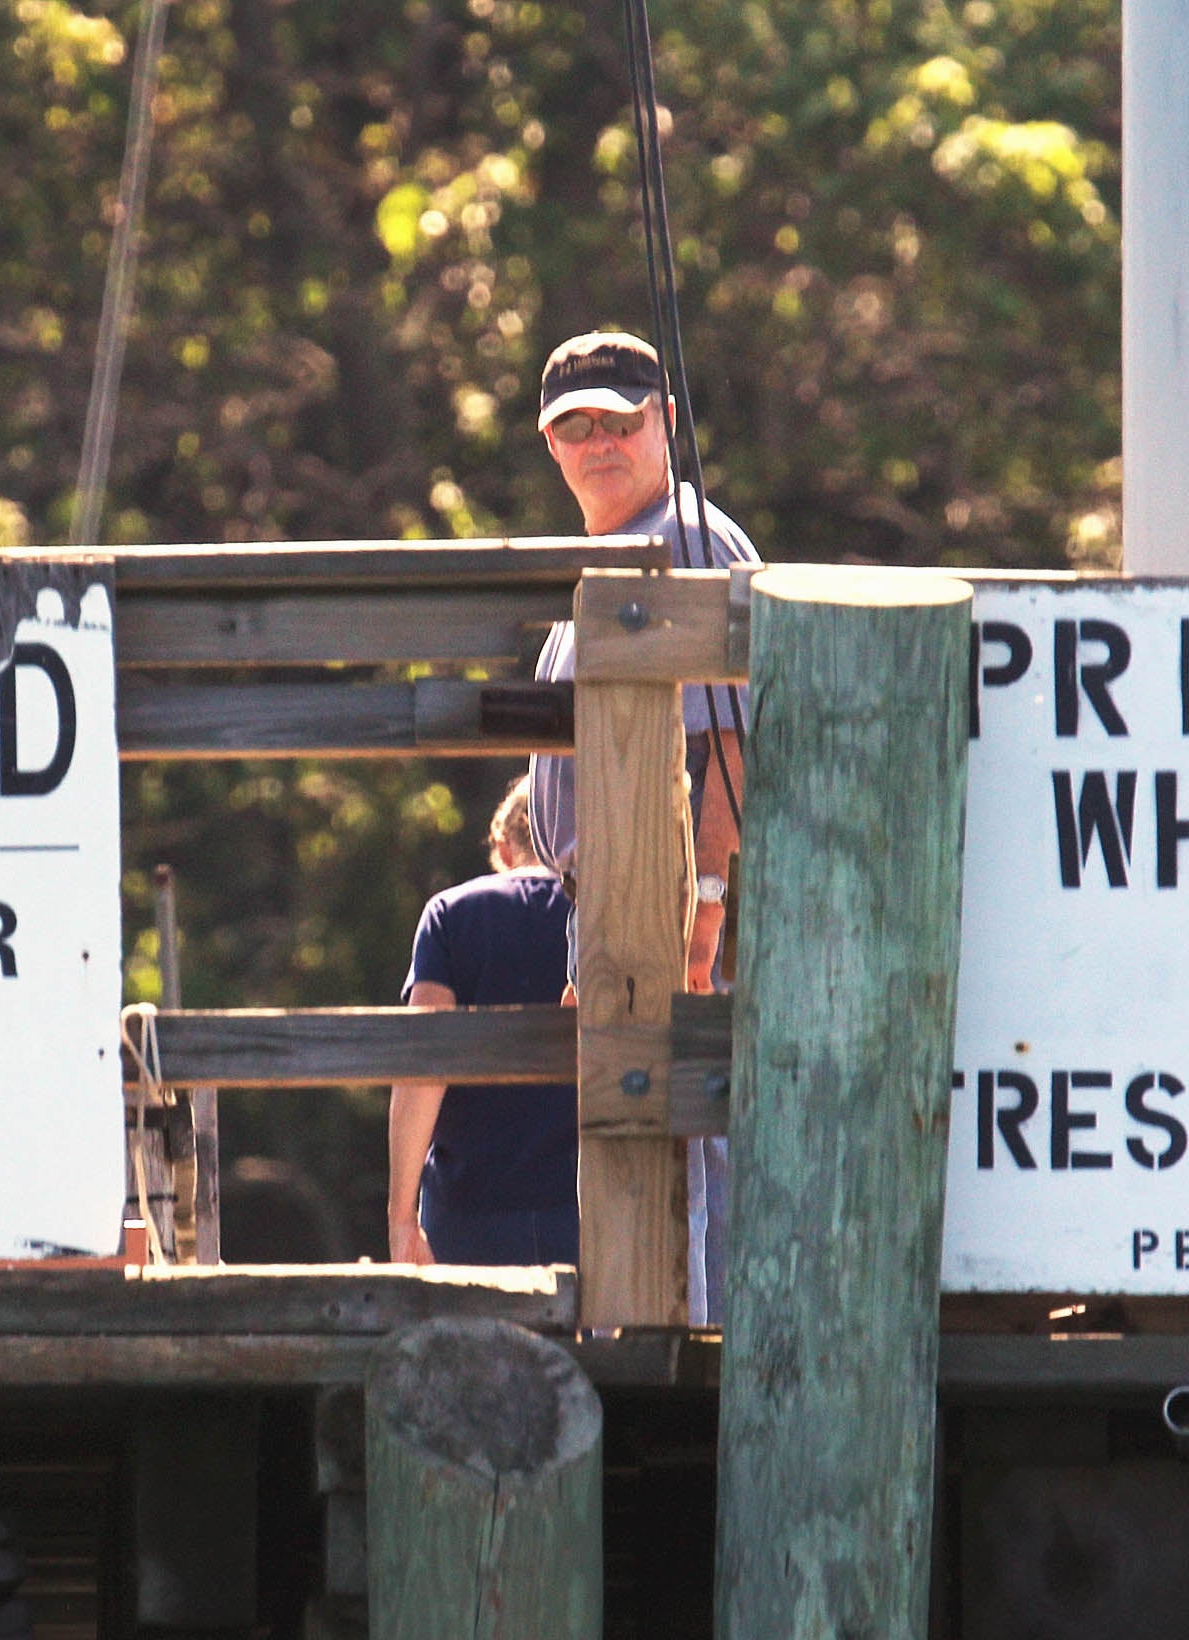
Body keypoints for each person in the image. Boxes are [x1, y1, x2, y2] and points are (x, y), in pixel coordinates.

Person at [526, 329, 758, 1322]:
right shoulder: (616, 552)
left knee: (686, 1172)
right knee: (650, 1163)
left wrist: (702, 915)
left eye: (620, 421)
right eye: (576, 426)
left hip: (676, 908)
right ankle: (666, 1349)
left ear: (664, 422)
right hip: (617, 908)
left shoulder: (686, 540)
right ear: (550, 444)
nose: (600, 443)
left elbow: (735, 744)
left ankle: (692, 1370)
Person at [387, 777, 577, 1265]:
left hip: (469, 1211)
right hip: (585, 1203)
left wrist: (401, 1217)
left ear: (503, 846)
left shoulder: (450, 914)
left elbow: (423, 1065)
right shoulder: (604, 913)